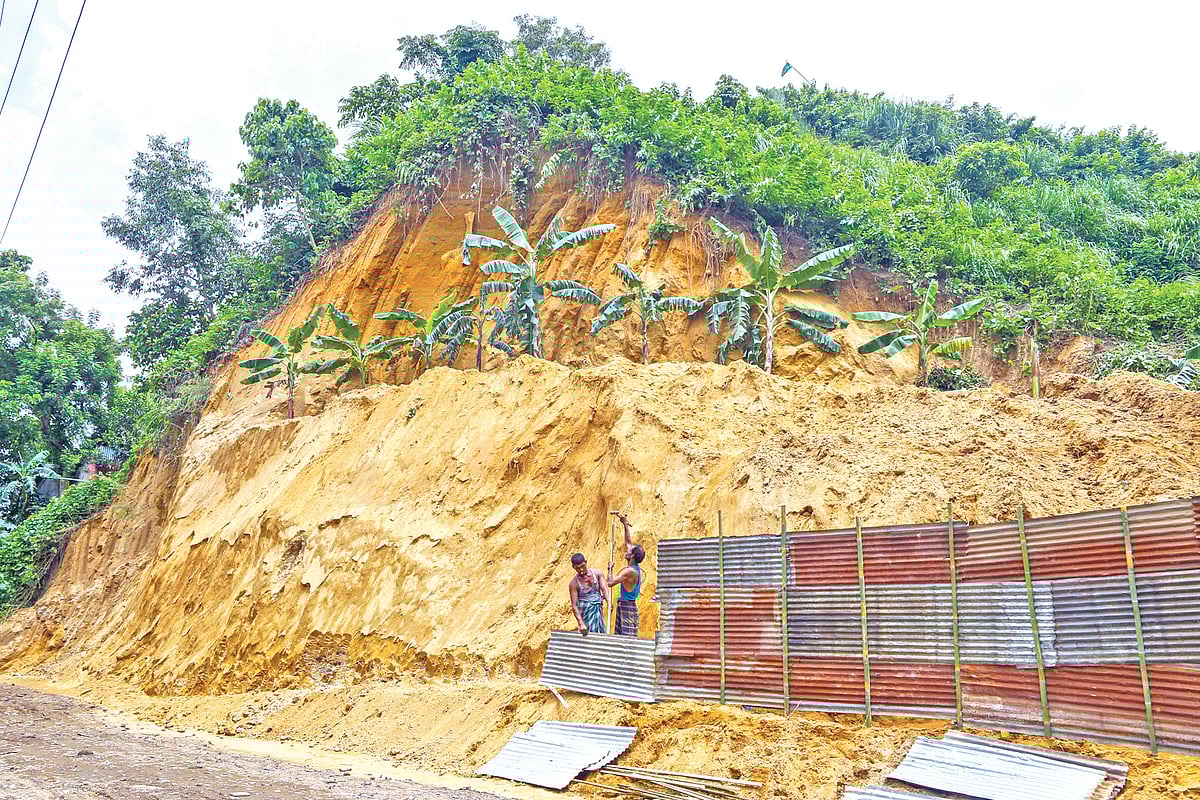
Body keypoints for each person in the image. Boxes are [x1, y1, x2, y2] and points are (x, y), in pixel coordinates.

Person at [607, 511, 645, 637]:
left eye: (629, 551)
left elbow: (611, 583)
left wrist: (610, 569)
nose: (626, 549)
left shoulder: (630, 572)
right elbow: (629, 542)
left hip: (627, 606)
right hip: (624, 604)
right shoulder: (634, 567)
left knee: (627, 639)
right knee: (620, 636)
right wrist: (625, 524)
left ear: (632, 556)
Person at [568, 552, 608, 635]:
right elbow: (574, 605)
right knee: (590, 636)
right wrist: (581, 623)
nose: (581, 570)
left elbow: (604, 589)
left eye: (583, 566)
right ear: (573, 567)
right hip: (586, 614)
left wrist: (609, 602)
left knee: (601, 633)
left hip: (597, 610)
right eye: (578, 568)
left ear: (585, 562)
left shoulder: (597, 573)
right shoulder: (574, 583)